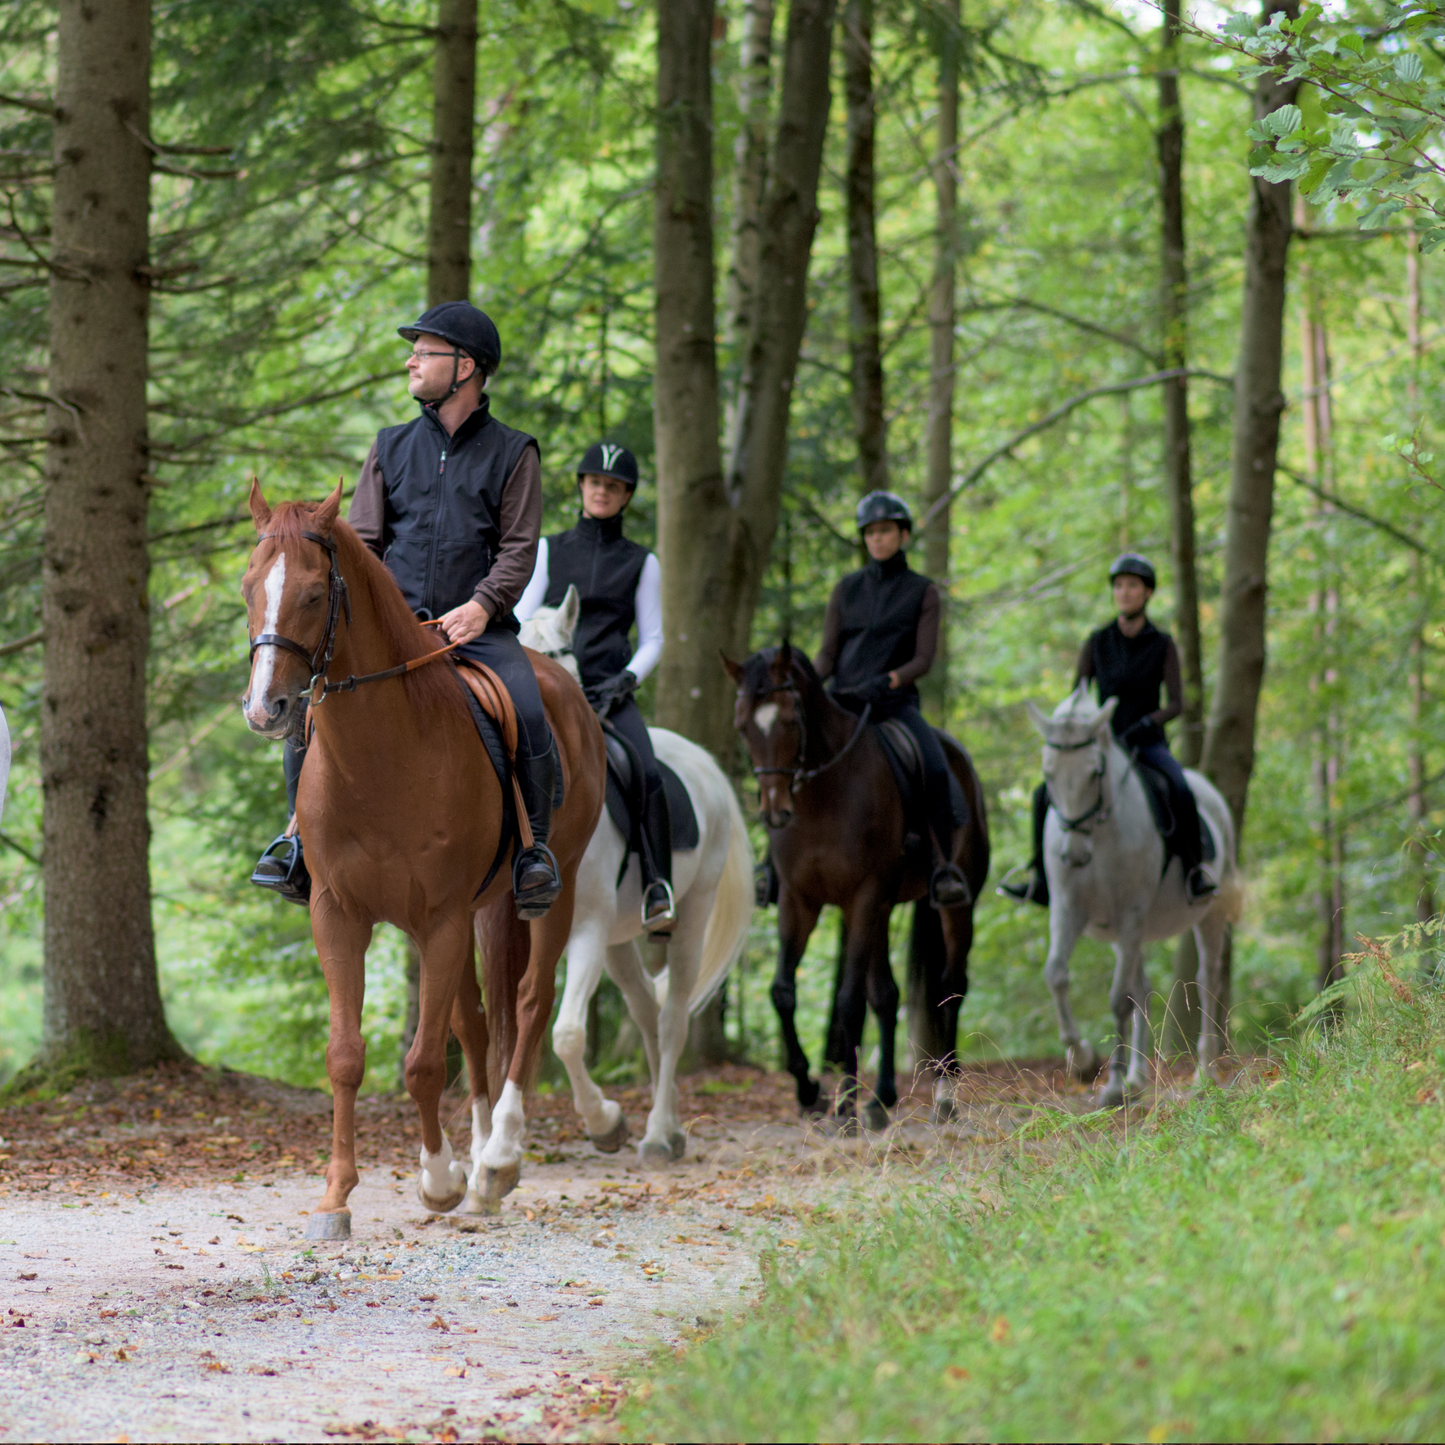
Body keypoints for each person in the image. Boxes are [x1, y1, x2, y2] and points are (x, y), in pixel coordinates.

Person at [250, 301, 564, 918]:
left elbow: (519, 547)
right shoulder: (390, 447)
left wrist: (481, 606)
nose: (410, 362)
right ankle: (295, 841)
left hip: (475, 630)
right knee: (312, 712)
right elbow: (363, 546)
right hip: (395, 635)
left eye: (423, 352)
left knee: (528, 708)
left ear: (464, 366)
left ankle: (533, 851)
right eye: (413, 351)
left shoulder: (513, 452)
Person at [515, 442, 674, 929]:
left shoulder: (642, 561)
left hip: (609, 692)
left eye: (613, 486)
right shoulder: (549, 549)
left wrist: (627, 679)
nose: (602, 492)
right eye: (595, 483)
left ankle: (656, 885)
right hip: (547, 687)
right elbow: (521, 615)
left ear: (626, 496)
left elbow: (653, 637)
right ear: (582, 487)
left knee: (646, 772)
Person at [1001, 552, 1214, 907]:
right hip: (1100, 742)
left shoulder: (1162, 644)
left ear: (1147, 593)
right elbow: (1078, 694)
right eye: (1118, 586)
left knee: (1178, 786)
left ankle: (1194, 871)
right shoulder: (1097, 641)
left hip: (1146, 743)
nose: (1124, 592)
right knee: (1042, 794)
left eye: (1132, 586)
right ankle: (1039, 875)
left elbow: (1176, 703)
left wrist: (1149, 722)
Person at [813, 490, 970, 908]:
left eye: (886, 531)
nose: (878, 539)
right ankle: (772, 869)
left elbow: (923, 658)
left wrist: (890, 680)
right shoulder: (845, 590)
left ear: (902, 535)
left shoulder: (922, 591)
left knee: (935, 768)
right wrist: (808, 685)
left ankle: (942, 868)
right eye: (870, 533)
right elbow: (828, 654)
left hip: (893, 705)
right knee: (793, 757)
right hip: (843, 701)